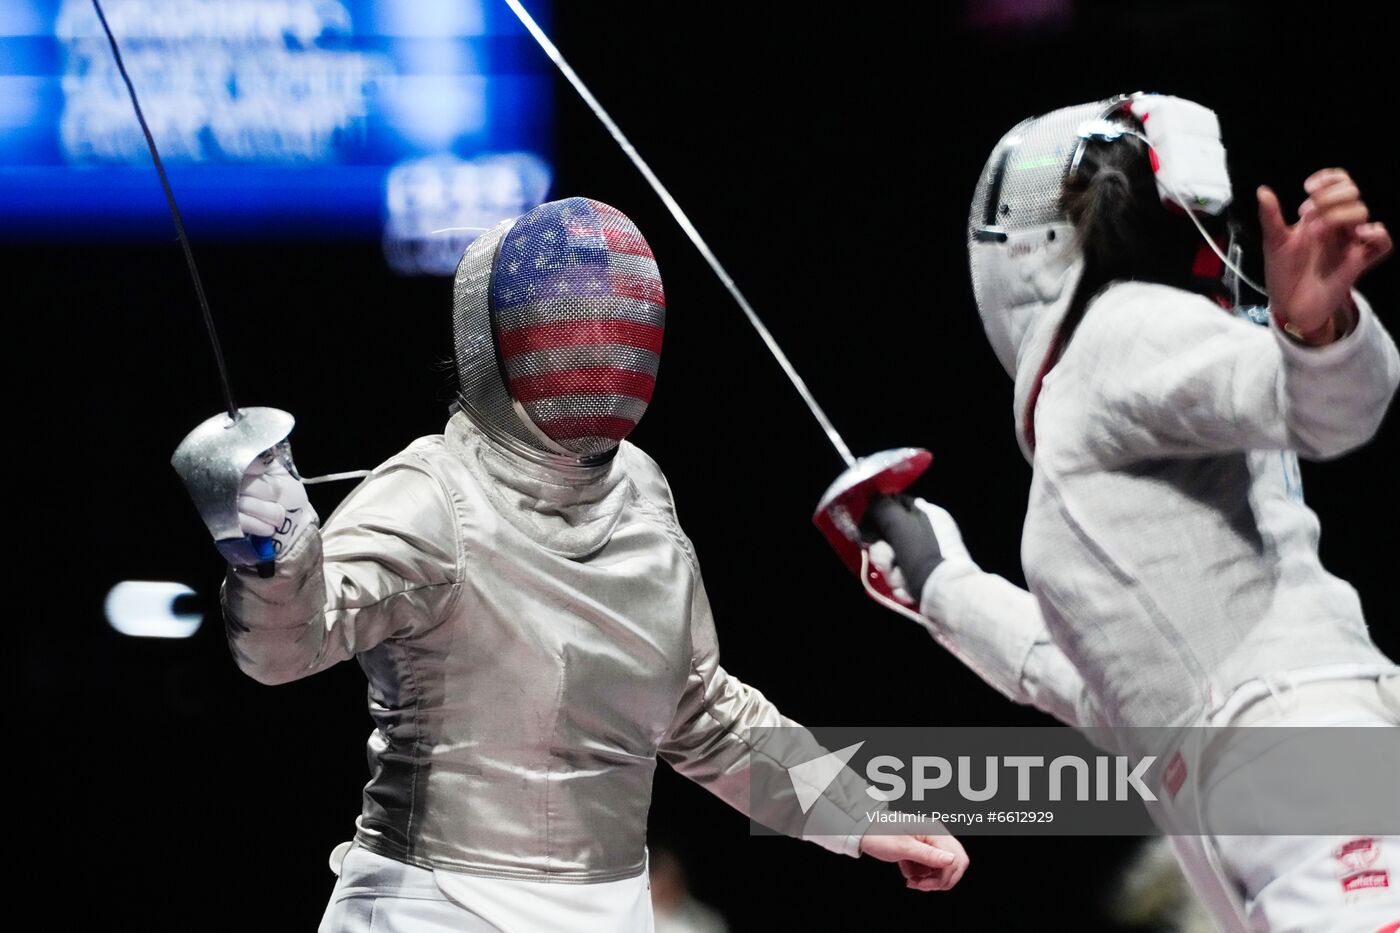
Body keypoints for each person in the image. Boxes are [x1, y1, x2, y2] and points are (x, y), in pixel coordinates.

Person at [205, 197, 967, 933]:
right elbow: (286, 646)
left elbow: (701, 709)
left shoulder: (641, 488)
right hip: (434, 905)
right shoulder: (429, 494)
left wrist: (861, 811)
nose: (599, 337)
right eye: (574, 318)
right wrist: (274, 555)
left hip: (615, 908)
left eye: (614, 315)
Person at [864, 95, 1400, 931]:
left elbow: (1325, 409)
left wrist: (1321, 335)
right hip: (1273, 781)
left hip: (1307, 769)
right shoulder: (1092, 402)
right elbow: (1099, 687)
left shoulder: (1123, 334)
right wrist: (938, 581)